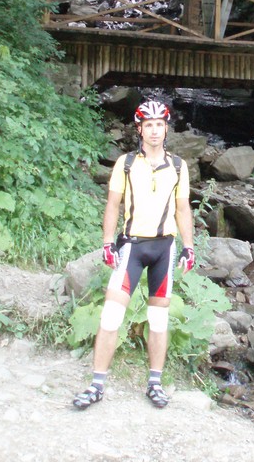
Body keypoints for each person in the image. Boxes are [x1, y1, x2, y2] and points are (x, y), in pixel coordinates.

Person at [73, 99, 195, 410]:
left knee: (158, 319)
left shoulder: (178, 166)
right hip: (132, 246)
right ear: (139, 129)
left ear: (166, 128)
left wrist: (189, 246)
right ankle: (96, 384)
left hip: (164, 247)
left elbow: (183, 209)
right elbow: (113, 204)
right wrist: (107, 242)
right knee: (111, 315)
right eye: (148, 125)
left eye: (159, 125)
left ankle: (155, 383)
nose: (154, 131)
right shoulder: (126, 164)